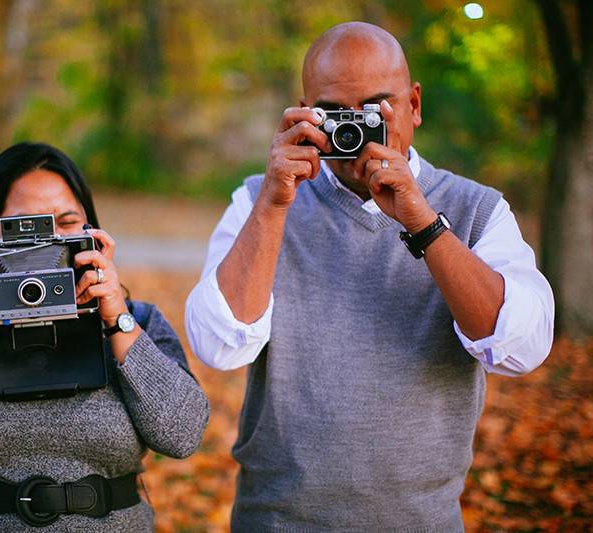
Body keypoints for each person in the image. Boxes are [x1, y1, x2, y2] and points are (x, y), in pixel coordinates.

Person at [185, 22, 554, 531]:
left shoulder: (476, 210)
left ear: (415, 105)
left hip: (418, 521)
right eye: (337, 113)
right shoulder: (260, 200)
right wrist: (274, 203)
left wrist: (423, 222)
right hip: (277, 520)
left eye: (377, 107)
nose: (357, 128)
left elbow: (523, 347)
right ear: (306, 112)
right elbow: (217, 346)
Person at [0, 142, 209, 531]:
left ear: (92, 230)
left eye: (65, 223)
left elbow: (182, 435)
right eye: (25, 228)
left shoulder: (138, 321)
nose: (48, 243)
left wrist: (116, 318)